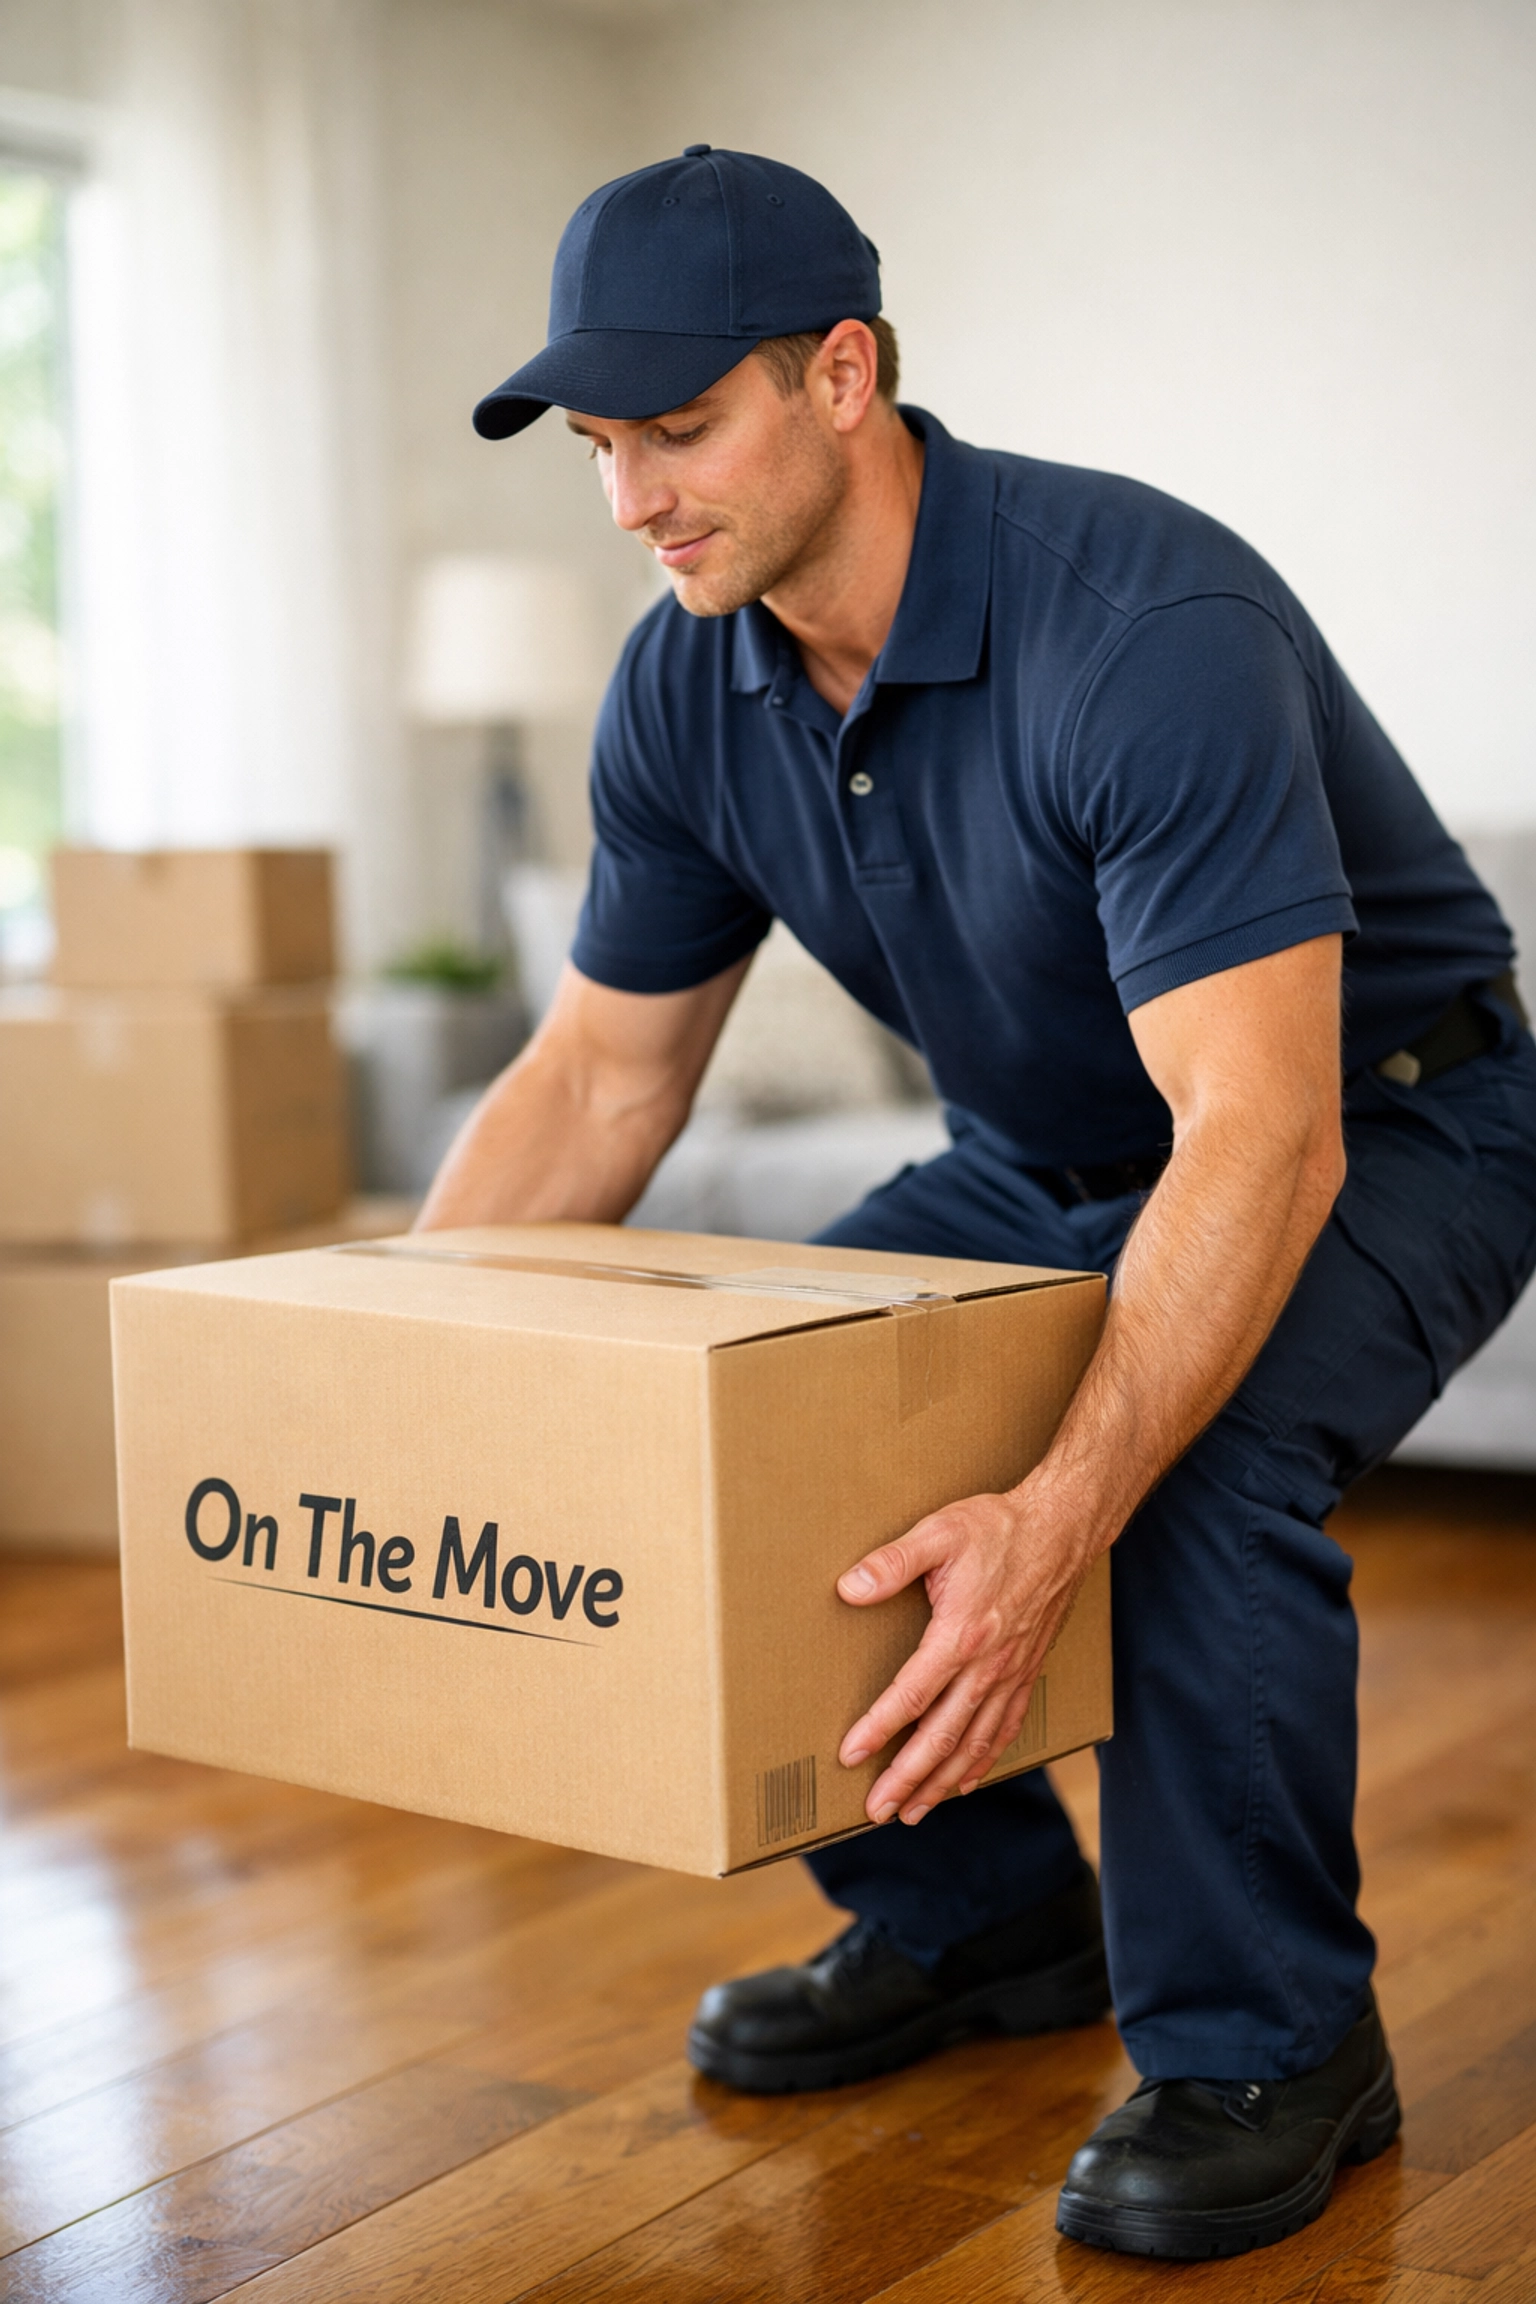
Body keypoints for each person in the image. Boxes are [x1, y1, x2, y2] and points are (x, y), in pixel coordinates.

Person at [419, 146, 1536, 2261]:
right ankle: (985, 1917)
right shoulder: (690, 676)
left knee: (1184, 1480)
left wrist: (1054, 1521)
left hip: (1393, 1120)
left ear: (842, 375)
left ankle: (1274, 2045)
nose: (631, 497)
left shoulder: (1141, 629)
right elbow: (601, 1074)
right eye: (597, 446)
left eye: (678, 429)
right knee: (761, 1411)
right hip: (1053, 1151)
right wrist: (404, 1364)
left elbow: (1258, 1143)